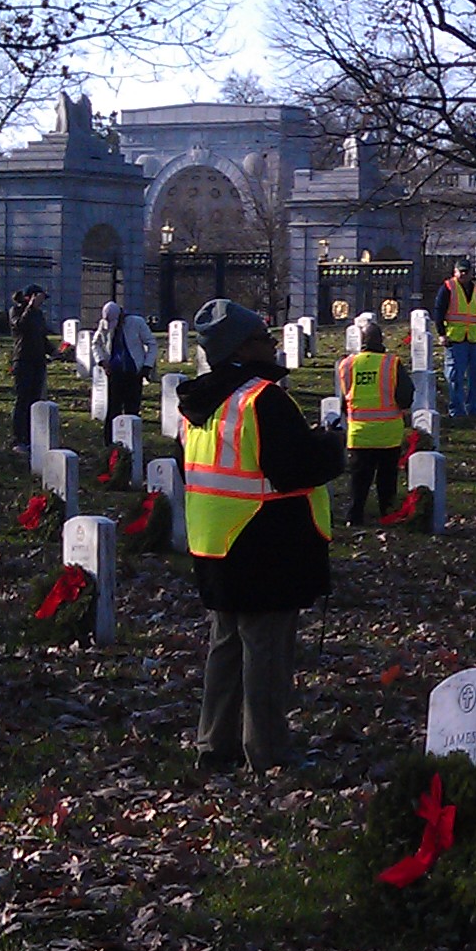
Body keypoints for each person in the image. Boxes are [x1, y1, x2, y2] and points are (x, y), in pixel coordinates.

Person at [179, 299, 343, 775]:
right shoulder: (261, 399)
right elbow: (295, 468)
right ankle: (269, 751)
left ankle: (215, 743)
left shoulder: (200, 401)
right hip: (264, 542)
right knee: (266, 651)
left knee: (226, 645)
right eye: (265, 340)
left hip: (215, 540)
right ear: (244, 348)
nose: (273, 346)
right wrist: (329, 445)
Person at [337, 314, 407, 521]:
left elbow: (344, 399)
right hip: (388, 433)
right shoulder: (392, 364)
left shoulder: (347, 365)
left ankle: (354, 515)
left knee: (359, 478)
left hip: (359, 432)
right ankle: (387, 512)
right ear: (381, 341)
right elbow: (405, 396)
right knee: (387, 478)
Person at [433, 258, 476, 420]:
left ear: (471, 273)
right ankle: (456, 410)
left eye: (466, 271)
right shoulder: (448, 288)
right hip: (455, 339)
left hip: (473, 339)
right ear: (455, 272)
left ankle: (474, 408)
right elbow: (439, 310)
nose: (463, 274)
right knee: (455, 376)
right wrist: (441, 333)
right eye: (460, 271)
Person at [9, 285, 52, 455]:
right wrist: (29, 308)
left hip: (37, 361)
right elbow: (20, 327)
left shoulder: (39, 315)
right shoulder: (16, 311)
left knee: (35, 400)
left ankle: (32, 437)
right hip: (23, 360)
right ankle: (19, 438)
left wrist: (54, 351)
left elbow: (41, 336)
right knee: (23, 400)